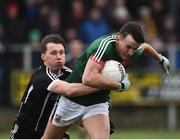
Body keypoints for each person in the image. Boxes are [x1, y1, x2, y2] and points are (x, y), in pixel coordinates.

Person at [42, 21, 170, 139]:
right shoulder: (103, 47)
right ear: (119, 39)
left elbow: (145, 47)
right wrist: (118, 86)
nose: (131, 53)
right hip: (71, 101)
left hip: (97, 103)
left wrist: (160, 59)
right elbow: (88, 78)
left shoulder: (132, 49)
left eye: (134, 49)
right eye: (129, 47)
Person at [10, 34, 102, 139]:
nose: (58, 56)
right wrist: (102, 85)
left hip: (55, 132)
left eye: (61, 52)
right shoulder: (41, 76)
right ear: (43, 56)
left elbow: (79, 106)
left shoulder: (69, 74)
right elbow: (69, 90)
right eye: (53, 53)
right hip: (26, 133)